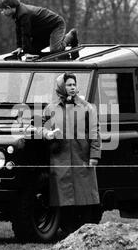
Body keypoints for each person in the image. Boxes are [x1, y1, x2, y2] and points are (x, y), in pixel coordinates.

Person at [40, 72, 101, 234]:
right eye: (68, 85)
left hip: (82, 158)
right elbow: (39, 128)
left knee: (85, 196)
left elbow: (95, 132)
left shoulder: (87, 107)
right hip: (60, 159)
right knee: (64, 198)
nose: (72, 87)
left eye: (74, 84)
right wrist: (47, 134)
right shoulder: (50, 109)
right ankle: (68, 231)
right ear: (61, 87)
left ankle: (87, 231)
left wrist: (94, 155)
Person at [0, 0, 79, 57]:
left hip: (55, 25)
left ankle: (71, 35)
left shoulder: (24, 14)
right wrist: (19, 47)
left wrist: (26, 53)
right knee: (33, 51)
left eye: (2, 10)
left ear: (8, 8)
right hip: (43, 31)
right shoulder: (17, 14)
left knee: (55, 50)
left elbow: (26, 34)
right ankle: (54, 40)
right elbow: (19, 30)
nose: (2, 13)